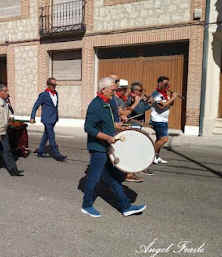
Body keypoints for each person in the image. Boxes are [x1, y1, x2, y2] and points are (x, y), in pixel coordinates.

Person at [81, 77, 146, 218]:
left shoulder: (109, 101)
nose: (114, 91)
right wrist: (108, 137)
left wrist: (116, 126)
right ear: (103, 90)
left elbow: (108, 121)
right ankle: (86, 205)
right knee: (94, 177)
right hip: (98, 147)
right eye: (112, 89)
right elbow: (88, 128)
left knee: (111, 178)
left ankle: (125, 207)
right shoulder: (95, 105)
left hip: (108, 145)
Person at [0, 84, 23, 176]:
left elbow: (7, 115)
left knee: (7, 151)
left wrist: (10, 119)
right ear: (0, 92)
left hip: (3, 132)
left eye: (7, 91)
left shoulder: (5, 103)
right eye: (5, 91)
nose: (7, 93)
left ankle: (13, 170)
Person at [30, 77, 66, 161]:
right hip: (47, 119)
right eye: (53, 85)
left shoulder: (56, 93)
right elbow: (35, 106)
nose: (54, 86)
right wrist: (32, 117)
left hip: (53, 118)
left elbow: (55, 106)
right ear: (48, 85)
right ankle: (57, 154)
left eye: (55, 85)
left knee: (46, 135)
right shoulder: (43, 95)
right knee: (51, 136)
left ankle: (40, 151)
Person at [151, 76, 177, 165]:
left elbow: (170, 104)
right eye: (166, 84)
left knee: (159, 139)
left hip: (164, 119)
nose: (168, 85)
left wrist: (172, 97)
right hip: (158, 120)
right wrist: (173, 98)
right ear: (160, 83)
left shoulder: (165, 93)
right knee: (164, 139)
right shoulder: (156, 94)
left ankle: (156, 157)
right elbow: (161, 106)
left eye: (168, 84)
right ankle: (150, 156)